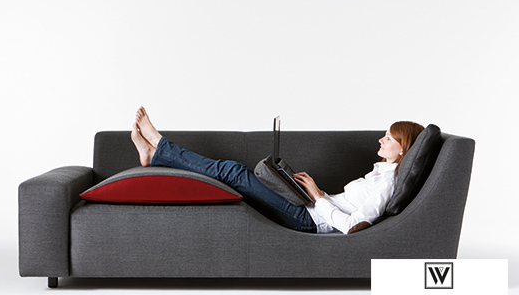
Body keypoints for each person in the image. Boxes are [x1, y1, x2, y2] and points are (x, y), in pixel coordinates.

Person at [130, 107, 424, 234]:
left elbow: (352, 226)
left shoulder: (387, 184)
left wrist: (317, 196)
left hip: (307, 220)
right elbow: (345, 205)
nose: (381, 140)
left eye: (389, 138)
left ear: (403, 148)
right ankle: (156, 153)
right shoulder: (380, 173)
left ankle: (159, 148)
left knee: (234, 172)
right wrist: (318, 194)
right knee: (246, 172)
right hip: (310, 207)